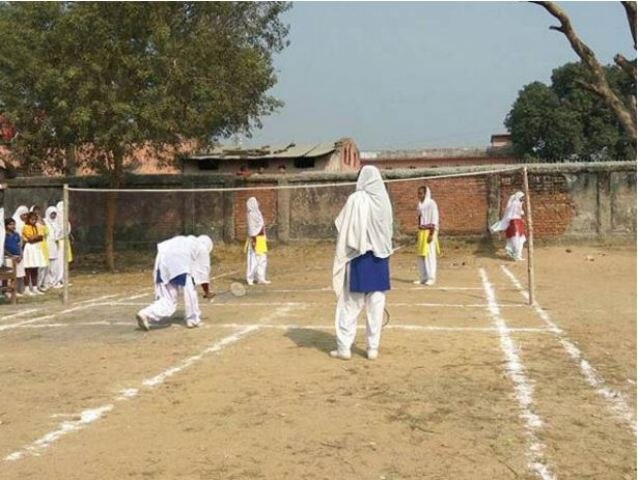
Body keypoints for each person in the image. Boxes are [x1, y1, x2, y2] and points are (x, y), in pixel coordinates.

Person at [331, 165, 393, 361]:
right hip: (380, 259)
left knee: (350, 305)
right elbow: (388, 230)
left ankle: (344, 348)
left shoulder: (356, 199)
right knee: (376, 305)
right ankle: (372, 348)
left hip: (359, 258)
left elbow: (342, 225)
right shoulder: (384, 201)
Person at [136, 235, 214, 331]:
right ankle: (193, 320)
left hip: (161, 261)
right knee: (190, 291)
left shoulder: (187, 241)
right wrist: (207, 292)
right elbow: (203, 274)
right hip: (178, 262)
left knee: (168, 300)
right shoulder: (202, 248)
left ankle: (145, 313)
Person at [414, 185, 440, 286]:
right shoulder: (419, 204)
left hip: (429, 231)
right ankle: (423, 277)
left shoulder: (432, 203)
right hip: (421, 231)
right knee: (421, 255)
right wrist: (418, 231)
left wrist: (431, 234)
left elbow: (434, 219)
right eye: (418, 193)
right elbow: (420, 218)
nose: (419, 195)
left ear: (426, 193)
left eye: (421, 193)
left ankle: (431, 277)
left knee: (429, 255)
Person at [490, 191, 526, 261]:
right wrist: (521, 212)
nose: (523, 199)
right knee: (517, 239)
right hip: (515, 223)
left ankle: (513, 252)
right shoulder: (515, 204)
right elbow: (518, 213)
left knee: (519, 239)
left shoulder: (516, 203)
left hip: (516, 223)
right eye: (522, 197)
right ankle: (516, 254)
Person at [245, 197, 270, 285]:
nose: (258, 203)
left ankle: (260, 277)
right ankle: (250, 278)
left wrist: (264, 236)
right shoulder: (251, 214)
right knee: (253, 259)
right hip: (255, 238)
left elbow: (261, 226)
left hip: (261, 239)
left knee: (262, 258)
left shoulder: (258, 213)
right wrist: (253, 239)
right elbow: (252, 229)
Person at [21, 211, 46, 295]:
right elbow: (30, 239)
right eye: (32, 219)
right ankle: (27, 288)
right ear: (28, 219)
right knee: (28, 268)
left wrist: (36, 237)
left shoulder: (36, 227)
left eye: (35, 220)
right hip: (29, 248)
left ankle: (35, 287)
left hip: (36, 248)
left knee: (35, 268)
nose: (34, 221)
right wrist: (36, 236)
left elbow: (41, 237)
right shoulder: (25, 226)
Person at [3, 218, 24, 297]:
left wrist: (21, 255)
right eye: (10, 224)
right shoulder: (4, 235)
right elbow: (3, 248)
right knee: (7, 275)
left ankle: (14, 291)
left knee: (16, 275)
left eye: (13, 224)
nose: (12, 226)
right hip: (8, 258)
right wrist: (11, 256)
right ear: (6, 225)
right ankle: (6, 291)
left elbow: (19, 246)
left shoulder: (16, 234)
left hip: (18, 257)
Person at [44, 206, 61, 289]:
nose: (53, 215)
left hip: (54, 245)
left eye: (55, 214)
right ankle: (47, 282)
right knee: (47, 266)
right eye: (52, 214)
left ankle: (54, 281)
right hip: (47, 245)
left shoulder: (56, 223)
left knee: (54, 265)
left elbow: (58, 233)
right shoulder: (45, 222)